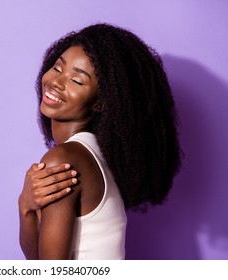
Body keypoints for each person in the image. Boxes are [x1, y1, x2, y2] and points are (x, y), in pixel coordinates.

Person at [18, 23, 182, 260]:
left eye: (77, 80)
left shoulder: (64, 160)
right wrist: (26, 207)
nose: (56, 81)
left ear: (101, 102)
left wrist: (25, 208)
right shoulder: (97, 153)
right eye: (57, 68)